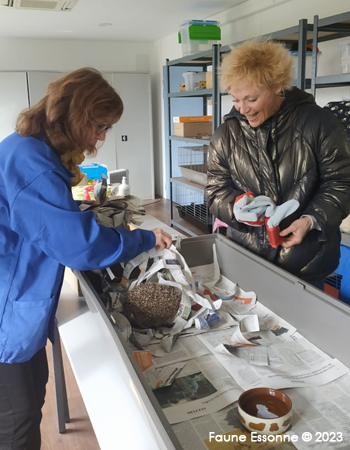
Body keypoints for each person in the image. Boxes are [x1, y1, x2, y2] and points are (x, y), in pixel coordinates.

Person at [0, 67, 172, 450]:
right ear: (75, 115)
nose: (100, 137)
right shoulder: (33, 163)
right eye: (99, 125)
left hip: (16, 295)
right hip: (6, 308)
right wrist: (140, 239)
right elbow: (77, 246)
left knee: (31, 398)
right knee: (16, 419)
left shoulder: (29, 148)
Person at [205, 39, 350, 288]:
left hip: (306, 261)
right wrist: (234, 206)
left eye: (251, 99)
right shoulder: (225, 134)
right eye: (235, 98)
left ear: (276, 86)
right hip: (246, 254)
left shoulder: (320, 124)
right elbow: (215, 189)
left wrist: (311, 219)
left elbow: (342, 182)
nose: (242, 109)